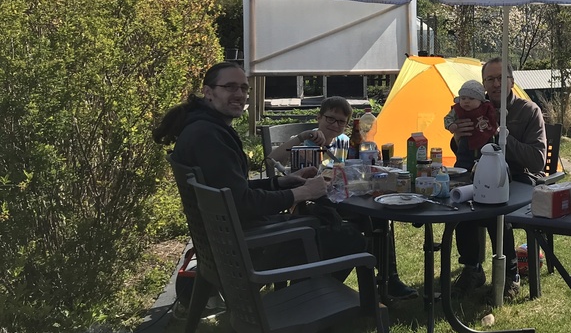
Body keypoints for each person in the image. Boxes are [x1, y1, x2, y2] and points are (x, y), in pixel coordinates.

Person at [153, 62, 364, 271]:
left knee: (328, 222)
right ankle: (301, 301)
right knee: (349, 237)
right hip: (247, 249)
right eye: (230, 87)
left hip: (232, 238)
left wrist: (280, 181)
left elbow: (231, 191)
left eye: (244, 88)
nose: (239, 94)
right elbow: (242, 203)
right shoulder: (208, 138)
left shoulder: (205, 129)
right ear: (208, 92)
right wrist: (302, 192)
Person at [267, 95, 418, 300]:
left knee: (379, 215)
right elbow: (272, 160)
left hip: (341, 198)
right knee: (368, 223)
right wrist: (302, 136)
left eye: (341, 122)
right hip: (310, 204)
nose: (334, 125)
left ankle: (388, 278)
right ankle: (374, 280)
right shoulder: (308, 143)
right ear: (319, 117)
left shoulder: (343, 142)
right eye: (330, 119)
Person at [447, 58, 546, 300]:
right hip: (482, 174)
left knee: (493, 206)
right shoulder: (476, 108)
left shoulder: (528, 111)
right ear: (483, 84)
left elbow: (537, 160)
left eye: (501, 78)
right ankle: (473, 268)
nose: (496, 83)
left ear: (512, 81)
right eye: (490, 79)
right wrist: (459, 135)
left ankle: (511, 274)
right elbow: (461, 148)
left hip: (522, 178)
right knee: (462, 203)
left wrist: (503, 138)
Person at [443, 80, 498, 170]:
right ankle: (461, 170)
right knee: (463, 157)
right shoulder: (458, 109)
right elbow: (448, 118)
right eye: (463, 98)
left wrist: (494, 127)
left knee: (485, 157)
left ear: (480, 101)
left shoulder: (486, 108)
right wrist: (451, 125)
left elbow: (493, 117)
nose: (466, 101)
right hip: (465, 140)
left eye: (471, 99)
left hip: (484, 138)